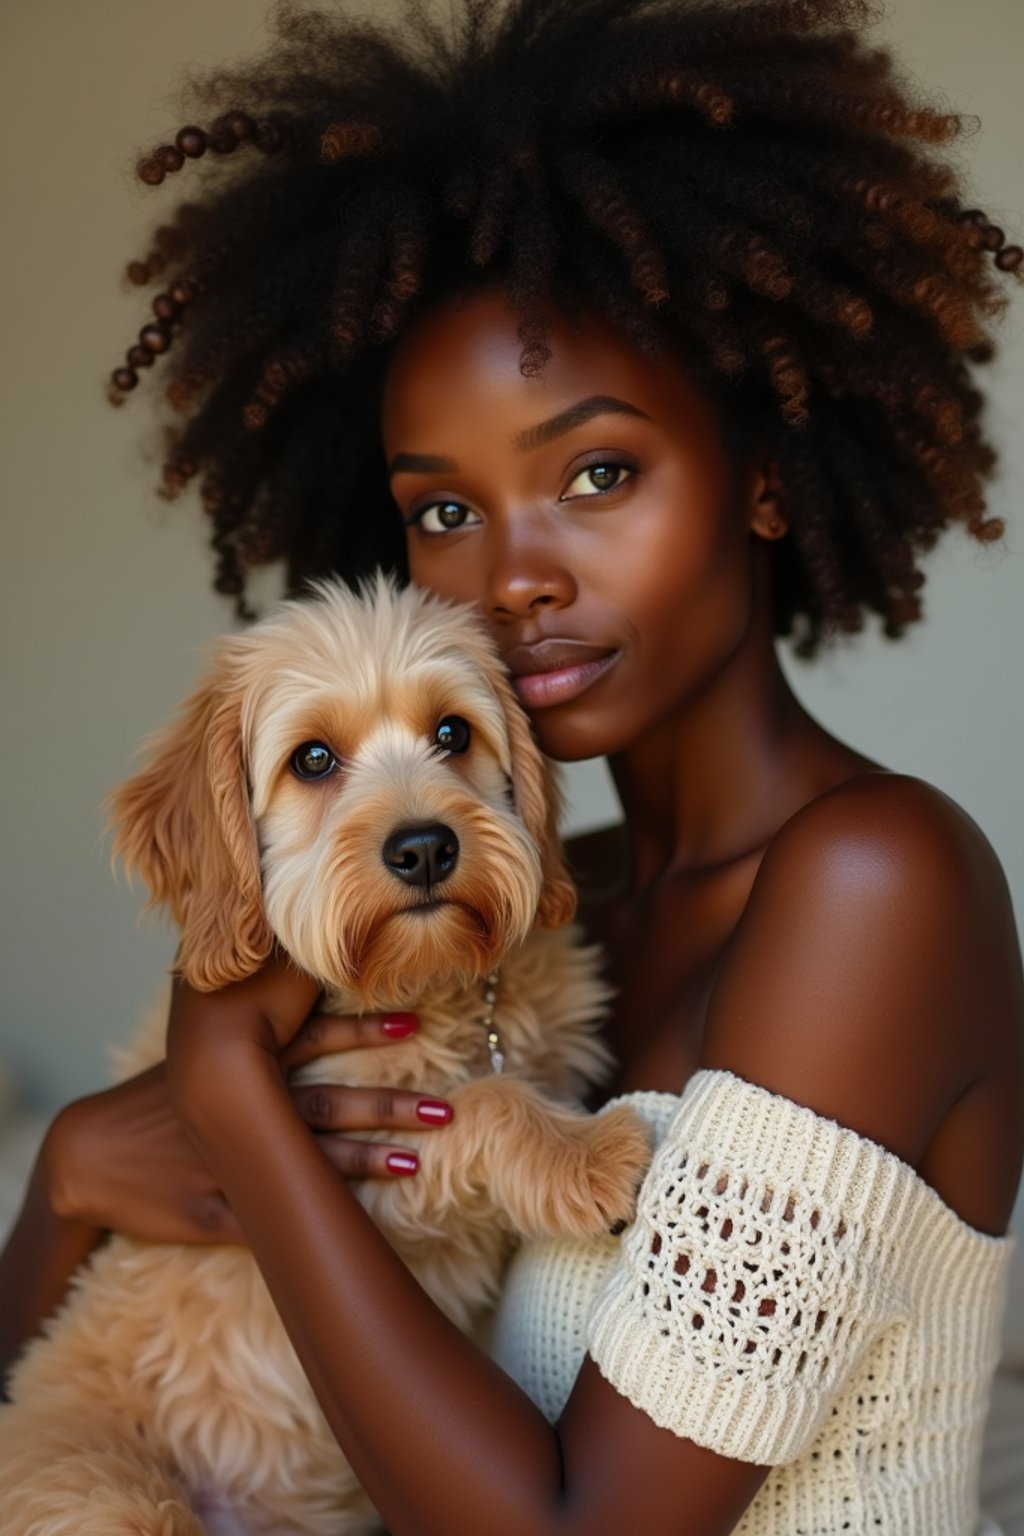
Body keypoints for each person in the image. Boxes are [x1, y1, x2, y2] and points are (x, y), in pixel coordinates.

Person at [2, 0, 1022, 1531]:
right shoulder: (539, 910)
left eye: (596, 472)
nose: (516, 576)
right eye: (446, 511)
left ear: (757, 471)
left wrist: (224, 1081)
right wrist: (71, 1174)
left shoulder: (880, 883)